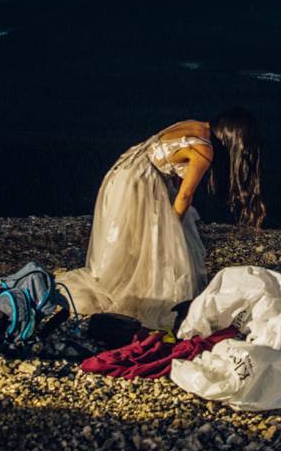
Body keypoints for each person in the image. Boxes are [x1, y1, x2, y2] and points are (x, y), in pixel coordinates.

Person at [58, 108, 264, 329]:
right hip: (139, 184)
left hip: (125, 172)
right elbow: (185, 195)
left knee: (135, 241)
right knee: (158, 243)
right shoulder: (204, 150)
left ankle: (130, 281)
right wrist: (170, 233)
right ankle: (141, 293)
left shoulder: (196, 125)